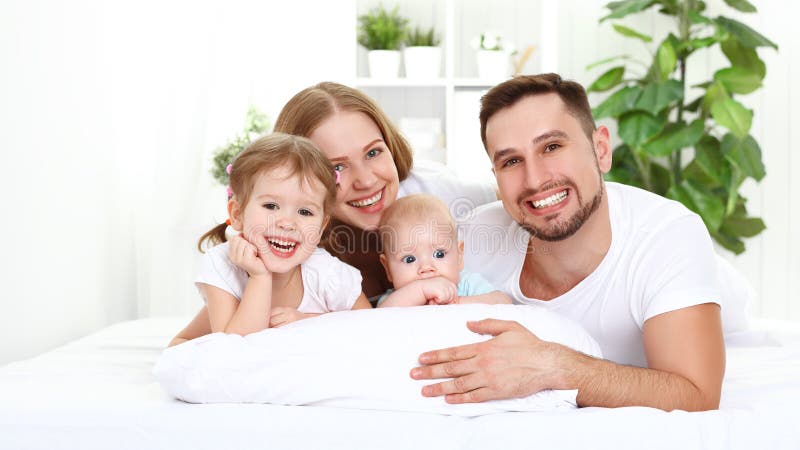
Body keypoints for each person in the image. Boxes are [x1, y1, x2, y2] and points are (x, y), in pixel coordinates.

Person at [410, 73, 726, 412]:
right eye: (511, 161)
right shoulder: (466, 242)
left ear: (601, 150)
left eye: (551, 147)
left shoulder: (668, 235)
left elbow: (697, 394)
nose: (535, 180)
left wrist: (552, 365)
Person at [273, 82, 498, 299]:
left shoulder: (433, 191)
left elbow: (509, 196)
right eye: (337, 167)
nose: (366, 181)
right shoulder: (291, 236)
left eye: (373, 153)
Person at [169, 133, 371, 346]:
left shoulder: (328, 275)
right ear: (237, 214)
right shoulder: (223, 264)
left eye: (304, 211)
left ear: (321, 226)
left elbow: (372, 326)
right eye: (271, 206)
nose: (287, 222)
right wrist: (259, 277)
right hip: (212, 357)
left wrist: (309, 321)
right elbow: (232, 350)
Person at [375, 194, 511, 307]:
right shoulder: (394, 300)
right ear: (388, 269)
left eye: (439, 254)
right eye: (409, 259)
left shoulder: (467, 285)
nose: (426, 268)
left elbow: (503, 302)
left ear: (459, 257)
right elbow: (379, 319)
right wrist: (421, 291)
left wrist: (457, 303)